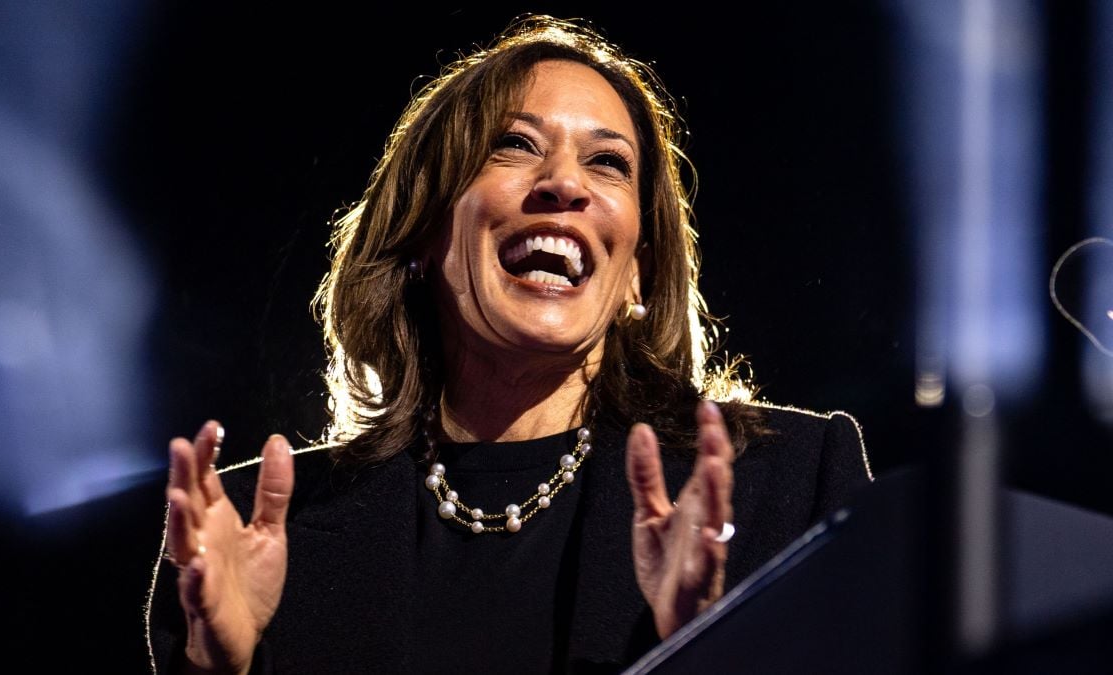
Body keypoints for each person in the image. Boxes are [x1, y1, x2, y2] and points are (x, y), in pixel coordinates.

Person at [146, 16, 871, 674]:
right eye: (514, 145)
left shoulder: (793, 489)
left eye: (608, 162)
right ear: (423, 232)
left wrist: (702, 644)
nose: (563, 183)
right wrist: (218, 670)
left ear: (637, 275)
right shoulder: (259, 531)